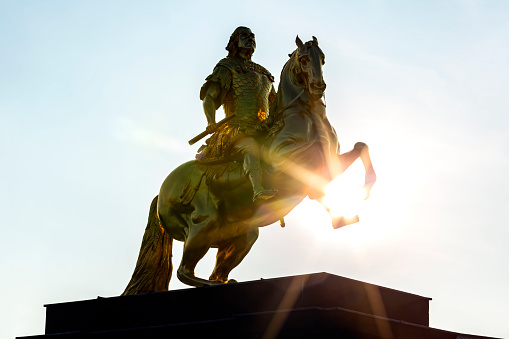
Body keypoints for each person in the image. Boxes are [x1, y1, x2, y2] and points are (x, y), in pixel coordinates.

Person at [197, 26, 277, 202]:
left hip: (263, 129)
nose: (250, 39)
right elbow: (209, 97)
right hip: (237, 130)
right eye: (244, 36)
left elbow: (276, 105)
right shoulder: (227, 66)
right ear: (235, 41)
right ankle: (258, 190)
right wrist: (211, 121)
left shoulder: (265, 74)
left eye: (252, 36)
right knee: (251, 148)